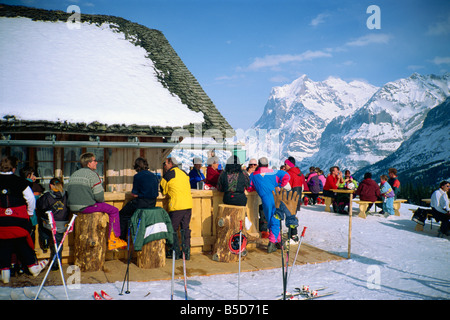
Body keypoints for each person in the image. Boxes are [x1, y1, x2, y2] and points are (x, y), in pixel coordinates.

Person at [0, 156, 48, 283]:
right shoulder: (20, 182)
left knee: (4, 244)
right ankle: (33, 268)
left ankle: (5, 273)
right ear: (14, 169)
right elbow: (31, 199)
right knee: (23, 243)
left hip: (1, 220)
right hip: (18, 219)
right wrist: (30, 212)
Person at [67, 152, 127, 250]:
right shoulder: (92, 175)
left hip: (72, 207)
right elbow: (99, 197)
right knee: (114, 210)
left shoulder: (74, 174)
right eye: (94, 161)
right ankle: (113, 240)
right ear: (89, 163)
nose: (97, 163)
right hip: (86, 207)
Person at [248, 157, 291, 253]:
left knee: (271, 220)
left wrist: (258, 188)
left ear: (258, 165)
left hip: (265, 199)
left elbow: (250, 188)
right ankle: (271, 243)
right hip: (275, 196)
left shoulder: (253, 175)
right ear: (267, 165)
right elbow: (287, 176)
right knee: (275, 219)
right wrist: (279, 186)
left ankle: (278, 241)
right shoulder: (274, 172)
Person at [160, 156, 193, 260]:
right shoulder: (184, 173)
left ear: (170, 164)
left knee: (172, 229)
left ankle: (174, 252)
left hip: (177, 206)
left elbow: (163, 190)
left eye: (165, 164)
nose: (164, 166)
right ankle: (186, 252)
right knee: (185, 229)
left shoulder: (168, 175)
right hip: (188, 205)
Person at [119, 158, 159, 240]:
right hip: (152, 204)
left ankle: (122, 238)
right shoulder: (154, 176)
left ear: (137, 167)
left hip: (141, 204)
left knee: (122, 215)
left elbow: (134, 194)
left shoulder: (138, 176)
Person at [36, 177, 69, 270]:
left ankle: (45, 241)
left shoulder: (47, 196)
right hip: (62, 223)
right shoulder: (66, 195)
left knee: (42, 226)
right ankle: (56, 264)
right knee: (58, 244)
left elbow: (40, 206)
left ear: (50, 185)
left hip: (49, 223)